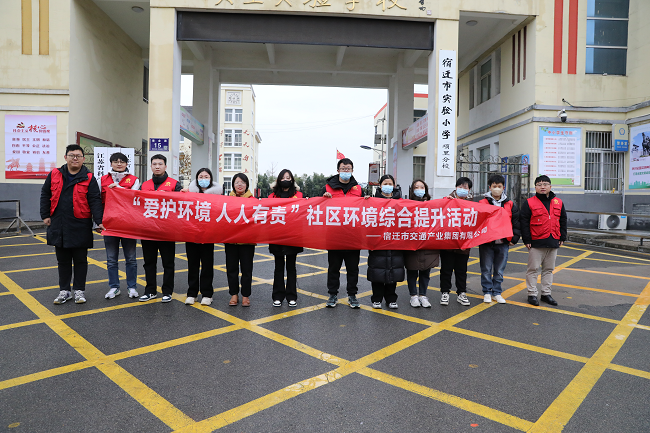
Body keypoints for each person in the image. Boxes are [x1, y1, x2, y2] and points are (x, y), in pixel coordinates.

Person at [40, 144, 104, 305]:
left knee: (80, 259)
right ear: (65, 157)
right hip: (59, 223)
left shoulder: (89, 177)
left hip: (80, 224)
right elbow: (45, 194)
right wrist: (45, 215)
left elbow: (95, 200)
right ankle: (64, 291)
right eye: (72, 155)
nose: (75, 158)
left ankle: (79, 290)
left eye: (78, 156)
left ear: (83, 159)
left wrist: (99, 221)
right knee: (62, 260)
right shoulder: (54, 174)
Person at [138, 154, 182, 303]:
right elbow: (135, 204)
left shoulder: (175, 185)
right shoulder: (144, 185)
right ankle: (150, 290)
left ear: (165, 166)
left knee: (168, 263)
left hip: (167, 231)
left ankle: (167, 291)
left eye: (160, 164)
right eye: (154, 164)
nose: (157, 166)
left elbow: (181, 205)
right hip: (148, 230)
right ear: (151, 166)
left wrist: (170, 196)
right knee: (149, 262)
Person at [321, 158, 363, 308]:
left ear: (352, 170)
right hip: (334, 235)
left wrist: (367, 200)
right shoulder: (328, 188)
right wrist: (324, 198)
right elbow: (320, 209)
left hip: (353, 235)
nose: (346, 171)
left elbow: (365, 210)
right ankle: (332, 295)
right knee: (334, 268)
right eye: (343, 168)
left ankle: (352, 295)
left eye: (348, 168)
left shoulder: (358, 189)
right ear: (338, 170)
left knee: (353, 268)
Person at [520, 175, 567, 307]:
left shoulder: (558, 202)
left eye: (545, 184)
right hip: (536, 241)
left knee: (548, 269)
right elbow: (524, 222)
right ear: (535, 187)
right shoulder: (529, 202)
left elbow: (563, 220)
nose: (542, 187)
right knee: (533, 269)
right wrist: (526, 239)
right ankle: (532, 294)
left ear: (550, 186)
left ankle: (546, 293)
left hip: (553, 240)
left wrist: (562, 237)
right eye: (539, 184)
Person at [100, 152, 140, 300]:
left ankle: (132, 287)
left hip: (128, 225)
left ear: (126, 164)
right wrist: (98, 222)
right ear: (110, 163)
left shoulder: (134, 180)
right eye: (115, 161)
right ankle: (114, 287)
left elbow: (134, 197)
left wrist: (118, 188)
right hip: (109, 225)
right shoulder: (102, 180)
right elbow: (97, 200)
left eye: (122, 161)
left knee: (131, 258)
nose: (119, 164)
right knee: (111, 259)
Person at [181, 168, 222, 306]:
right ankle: (192, 293)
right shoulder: (189, 193)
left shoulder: (218, 195)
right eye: (200, 176)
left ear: (211, 179)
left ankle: (207, 294)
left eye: (206, 176)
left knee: (207, 266)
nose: (203, 179)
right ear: (196, 179)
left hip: (208, 236)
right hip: (191, 235)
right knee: (192, 265)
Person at [478, 174, 520, 304]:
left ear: (503, 188)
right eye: (494, 186)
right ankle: (487, 291)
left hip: (503, 242)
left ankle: (497, 292)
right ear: (490, 187)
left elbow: (516, 222)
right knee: (486, 269)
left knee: (499, 270)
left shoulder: (510, 204)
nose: (497, 189)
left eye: (499, 186)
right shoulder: (482, 203)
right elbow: (477, 220)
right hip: (487, 242)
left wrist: (514, 238)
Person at [367, 174, 405, 309]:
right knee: (377, 271)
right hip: (378, 242)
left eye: (390, 184)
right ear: (380, 185)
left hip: (395, 242)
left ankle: (391, 299)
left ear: (394, 186)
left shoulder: (401, 202)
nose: (388, 186)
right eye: (385, 184)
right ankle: (376, 299)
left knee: (392, 271)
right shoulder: (372, 201)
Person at [268, 169, 304, 307]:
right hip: (276, 235)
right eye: (283, 177)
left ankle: (291, 296)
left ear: (292, 180)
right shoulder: (271, 197)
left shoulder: (299, 195)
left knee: (291, 267)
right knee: (278, 267)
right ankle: (277, 296)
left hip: (292, 236)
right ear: (278, 180)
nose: (285, 180)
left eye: (288, 177)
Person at [404, 179, 439, 308]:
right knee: (412, 271)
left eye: (422, 187)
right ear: (412, 190)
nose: (419, 189)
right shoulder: (406, 205)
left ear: (426, 189)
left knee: (425, 271)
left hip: (427, 243)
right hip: (412, 242)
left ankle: (423, 295)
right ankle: (413, 296)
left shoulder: (432, 205)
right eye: (416, 187)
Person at [440, 177, 474, 307]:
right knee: (446, 270)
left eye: (465, 188)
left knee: (461, 270)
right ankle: (445, 293)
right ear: (455, 188)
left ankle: (461, 293)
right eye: (460, 187)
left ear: (469, 190)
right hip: (447, 243)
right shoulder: (447, 200)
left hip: (464, 244)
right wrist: (446, 201)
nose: (462, 189)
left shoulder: (473, 204)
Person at [225, 173, 256, 307]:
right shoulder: (227, 200)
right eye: (237, 182)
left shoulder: (253, 201)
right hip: (231, 240)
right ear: (233, 184)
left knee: (246, 269)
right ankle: (234, 294)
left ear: (247, 185)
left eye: (242, 182)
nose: (239, 185)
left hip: (247, 241)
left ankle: (245, 295)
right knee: (231, 268)